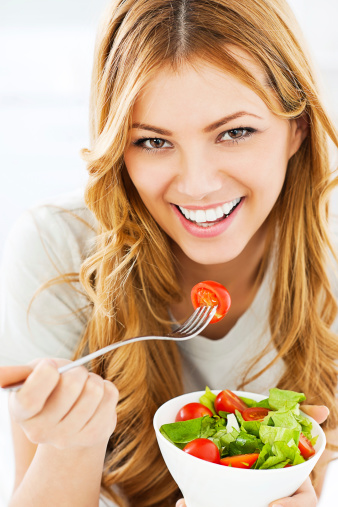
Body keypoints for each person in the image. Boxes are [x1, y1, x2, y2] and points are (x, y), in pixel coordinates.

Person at [0, 0, 337, 505]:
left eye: (235, 132)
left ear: (298, 128)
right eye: (154, 142)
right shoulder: (58, 250)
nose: (198, 185)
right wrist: (73, 445)